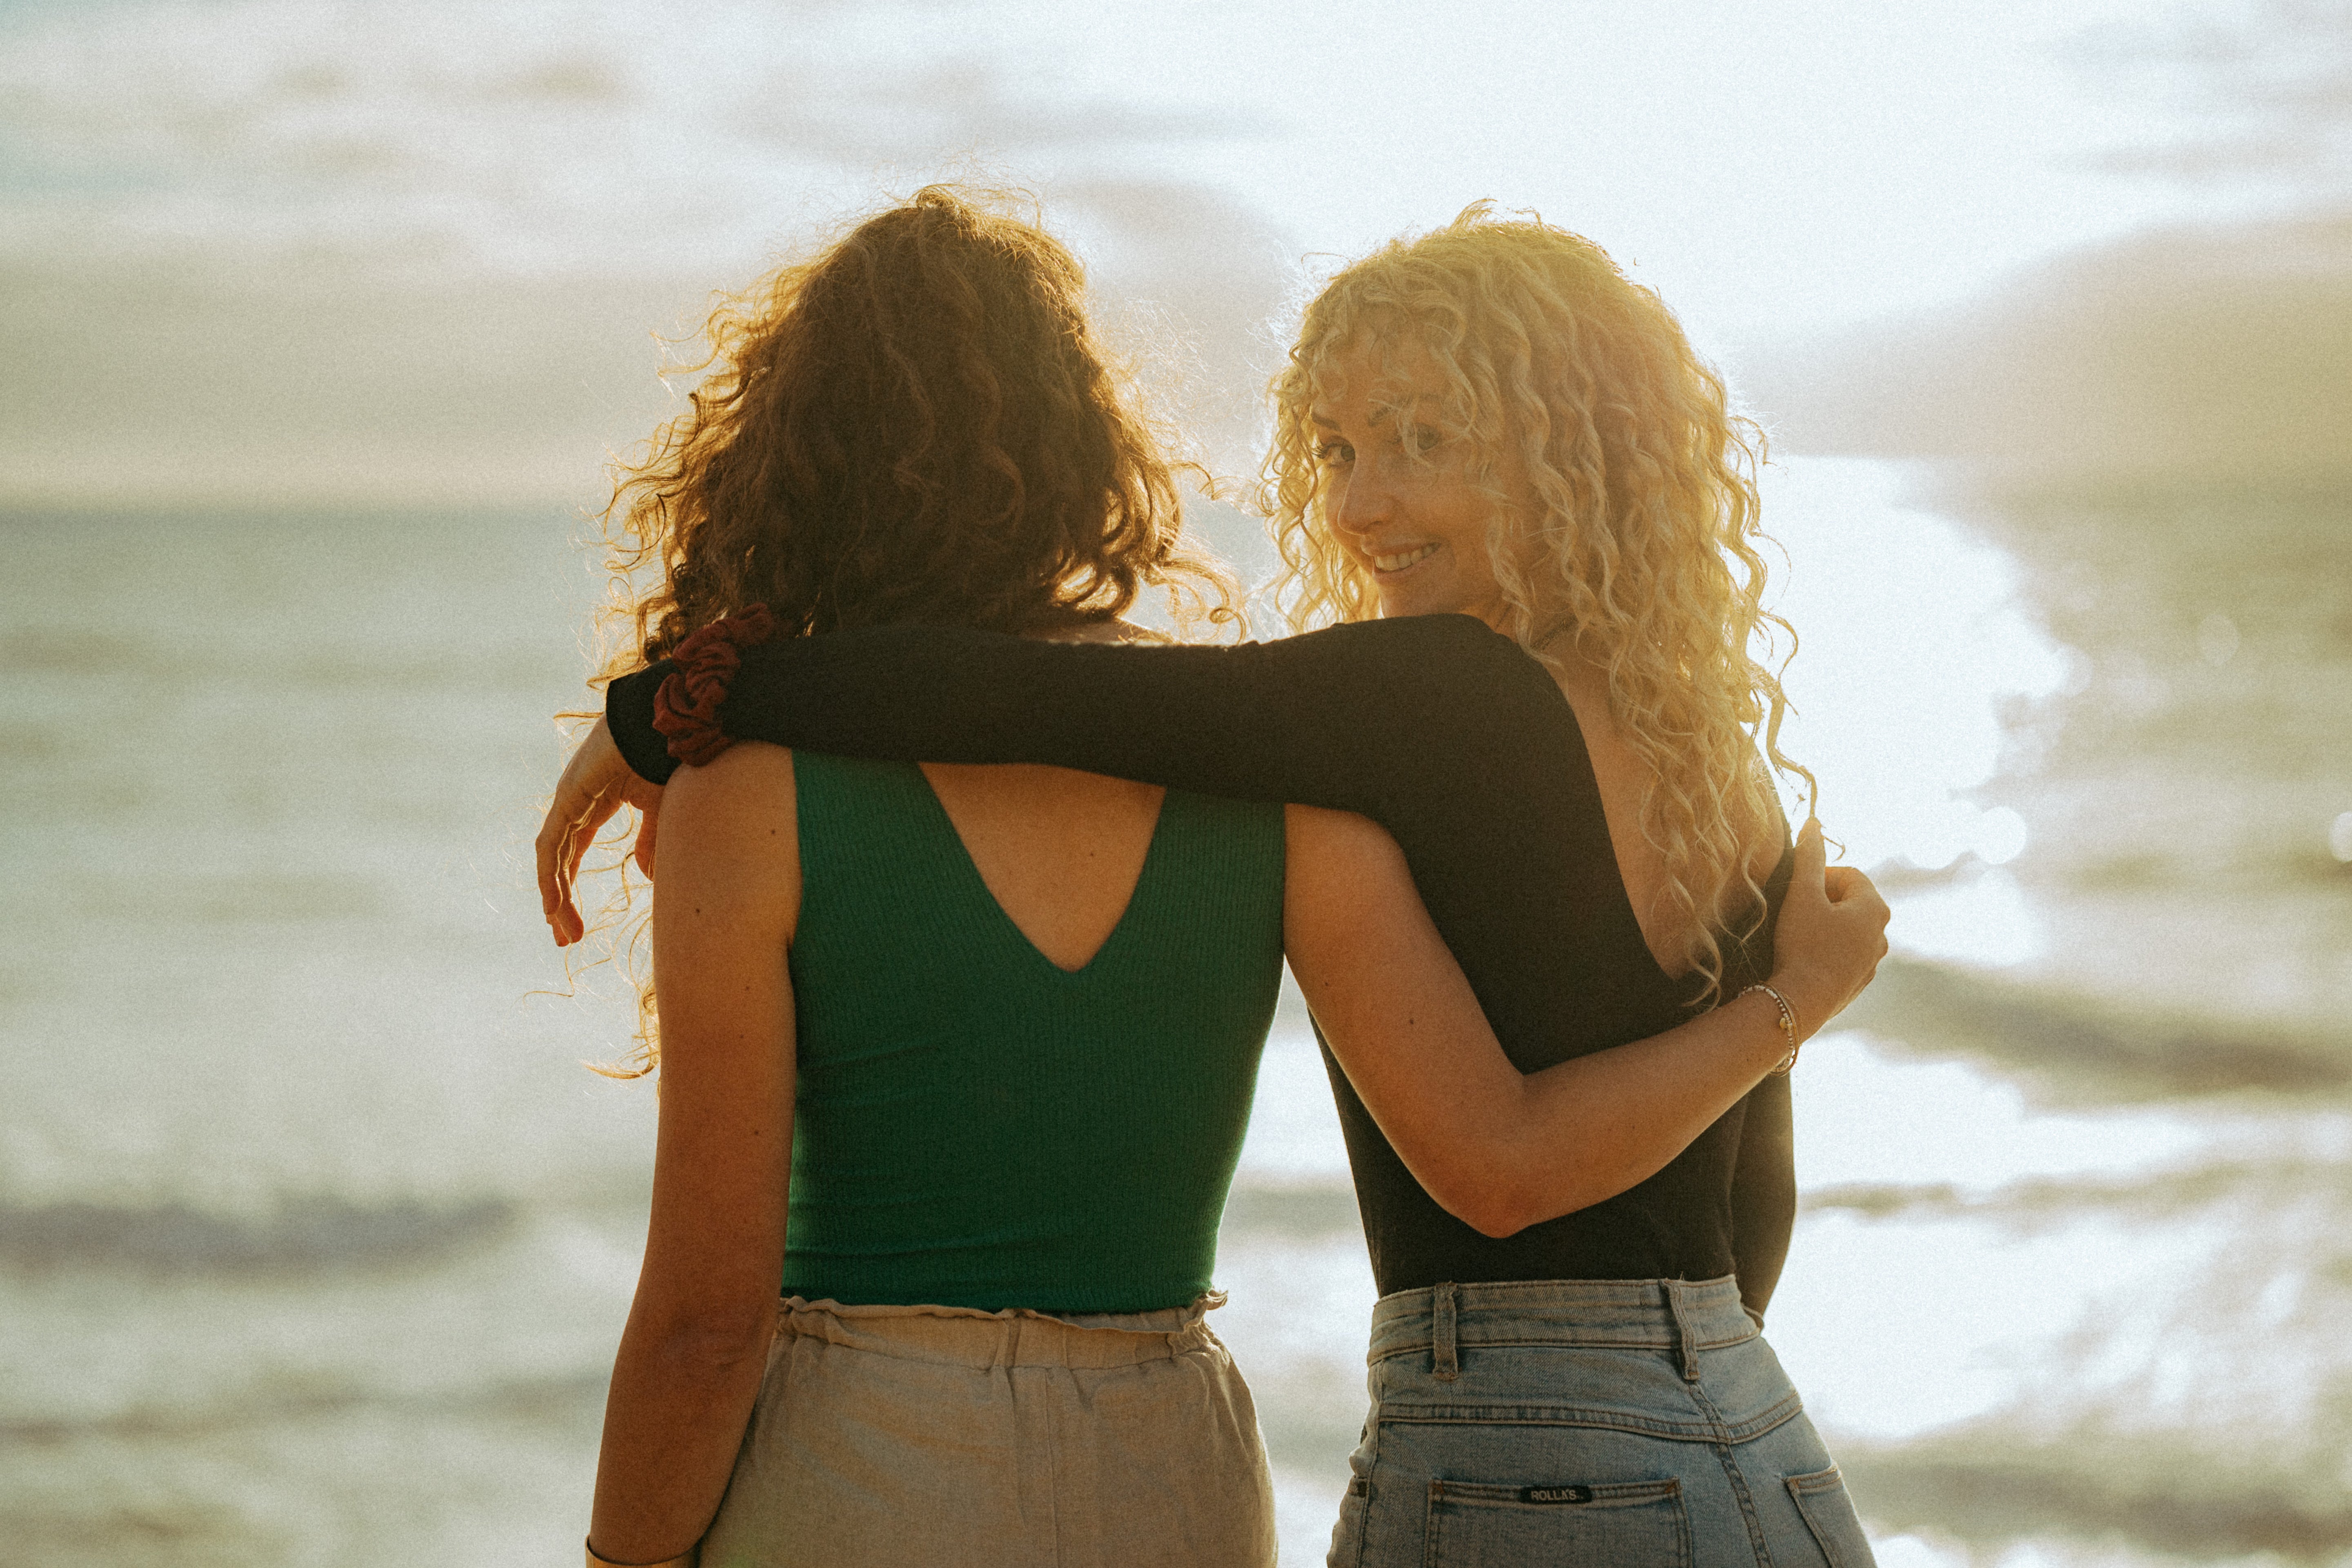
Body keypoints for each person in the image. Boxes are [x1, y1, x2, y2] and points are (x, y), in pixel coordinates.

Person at [549, 195, 1890, 1568]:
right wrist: (1680, 1385)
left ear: (1571, 454)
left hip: (1520, 1467)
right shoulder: (1718, 745)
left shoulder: (1432, 688)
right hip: (1750, 1444)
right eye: (1342, 449)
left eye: (1428, 443)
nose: (1363, 501)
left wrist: (680, 703)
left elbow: (1032, 703)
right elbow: (1751, 1209)